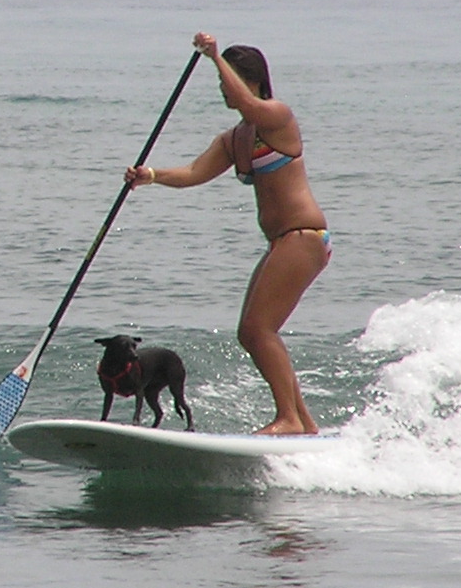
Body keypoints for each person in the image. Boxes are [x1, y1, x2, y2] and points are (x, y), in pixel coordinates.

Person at [124, 33, 330, 435]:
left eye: (227, 82)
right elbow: (192, 174)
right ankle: (304, 423)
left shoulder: (277, 116)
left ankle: (287, 418)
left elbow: (251, 105)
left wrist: (215, 55)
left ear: (249, 80)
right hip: (281, 243)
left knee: (258, 330)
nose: (223, 91)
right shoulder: (234, 139)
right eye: (221, 83)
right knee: (250, 333)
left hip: (304, 237)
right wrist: (149, 176)